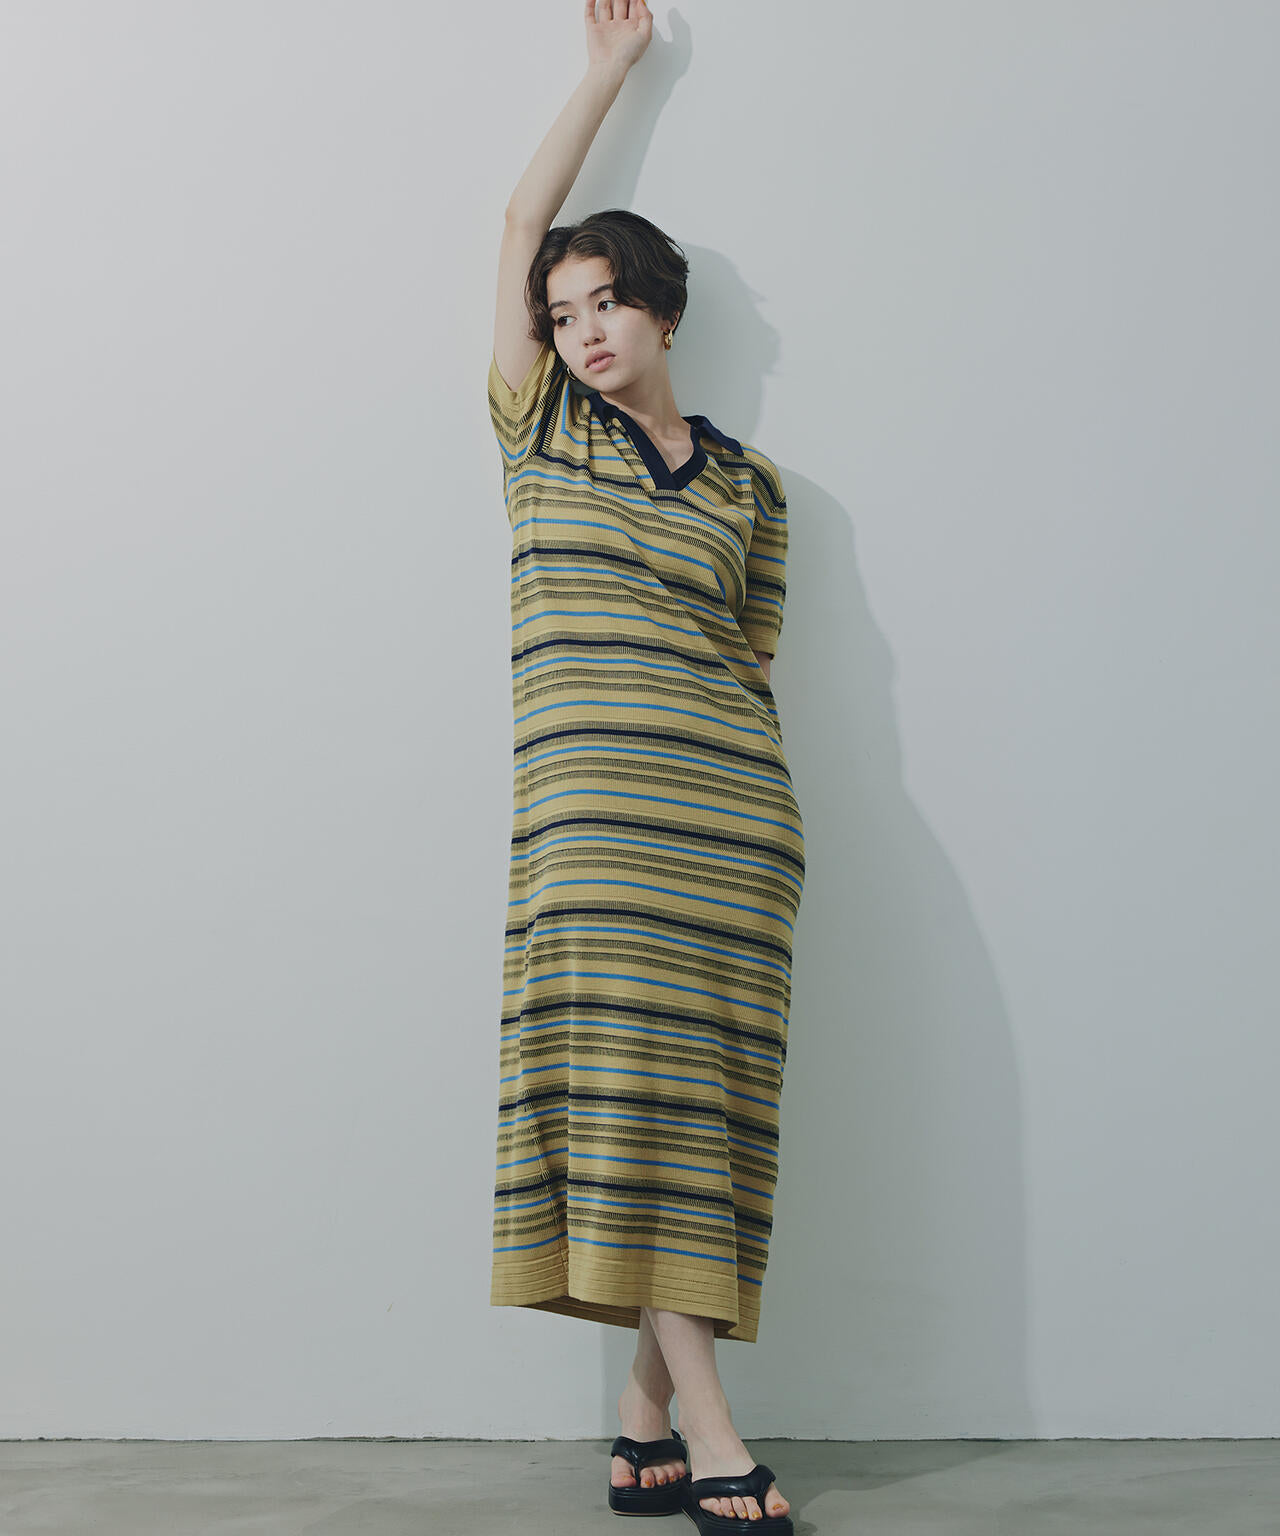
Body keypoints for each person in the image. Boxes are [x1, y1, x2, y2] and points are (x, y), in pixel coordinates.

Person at [486, 5, 803, 1530]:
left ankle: (642, 1418)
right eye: (564, 313)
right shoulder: (542, 436)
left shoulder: (752, 487)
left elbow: (752, 664)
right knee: (638, 1109)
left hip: (737, 837)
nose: (586, 329)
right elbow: (515, 226)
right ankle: (720, 1433)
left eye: (609, 301)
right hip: (597, 835)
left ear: (664, 312)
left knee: (704, 1120)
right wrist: (606, 73)